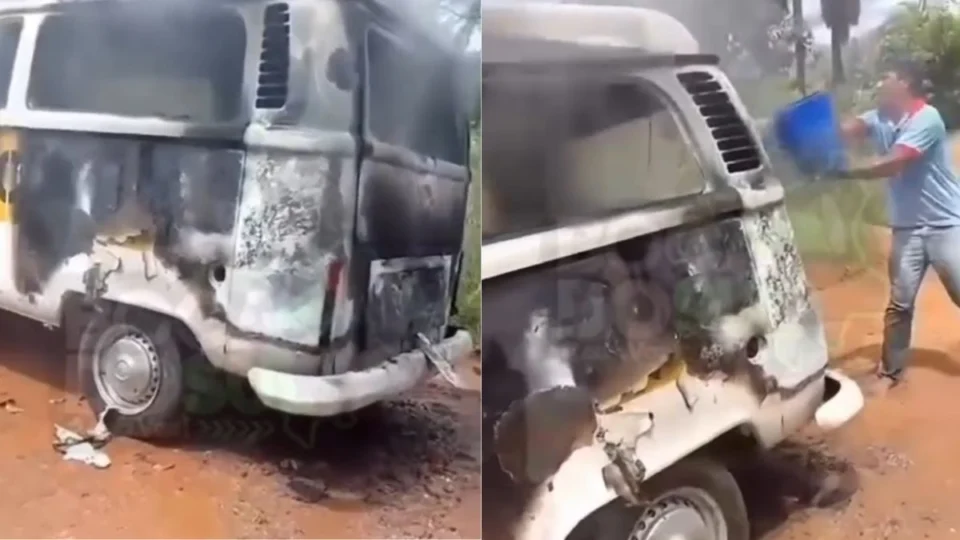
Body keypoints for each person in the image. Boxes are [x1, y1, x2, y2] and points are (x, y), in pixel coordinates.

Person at [838, 63, 960, 392]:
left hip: (944, 223)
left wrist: (845, 171)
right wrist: (816, 136)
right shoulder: (878, 116)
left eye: (887, 78)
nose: (880, 83)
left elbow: (895, 161)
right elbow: (846, 129)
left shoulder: (927, 119)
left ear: (905, 84)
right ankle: (891, 372)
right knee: (900, 302)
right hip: (906, 228)